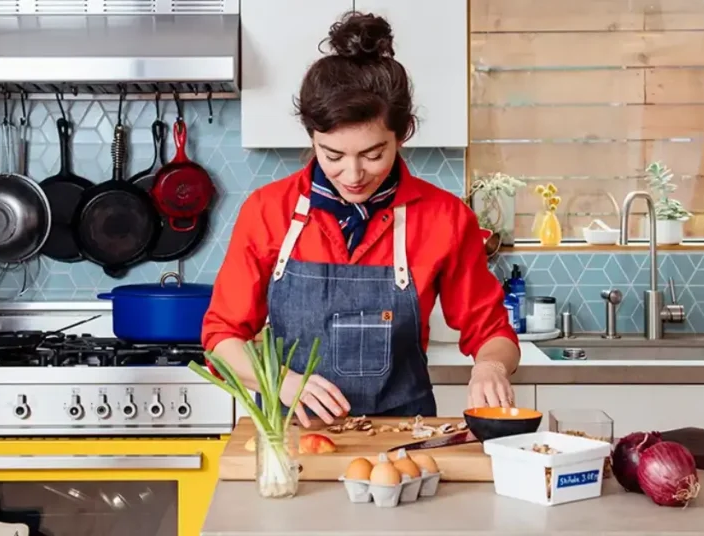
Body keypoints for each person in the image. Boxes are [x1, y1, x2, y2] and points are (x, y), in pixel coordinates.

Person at [201, 10, 520, 428]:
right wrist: (281, 382)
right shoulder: (268, 211)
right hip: (294, 438)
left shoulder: (444, 218)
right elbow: (221, 337)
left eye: (373, 154)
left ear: (402, 133)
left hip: (404, 439)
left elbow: (492, 330)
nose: (353, 175)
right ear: (311, 136)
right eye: (332, 155)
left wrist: (491, 367)